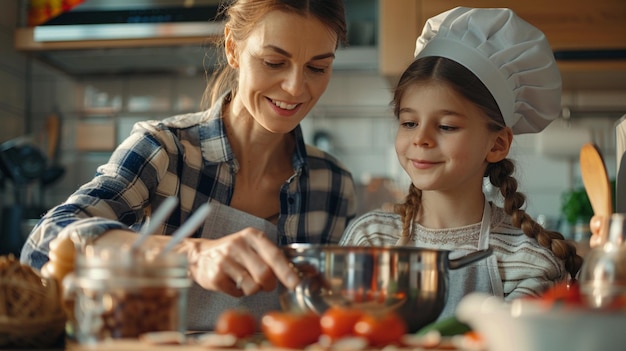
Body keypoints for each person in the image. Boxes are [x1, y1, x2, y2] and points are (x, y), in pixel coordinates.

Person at [20, 0, 356, 330]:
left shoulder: (332, 183)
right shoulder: (164, 149)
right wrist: (189, 253)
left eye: (317, 68)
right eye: (273, 61)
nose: (296, 87)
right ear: (233, 49)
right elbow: (43, 241)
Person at [339, 7, 583, 321]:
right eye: (409, 123)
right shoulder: (370, 239)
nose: (421, 139)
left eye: (447, 126)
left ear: (497, 144)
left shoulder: (527, 260)